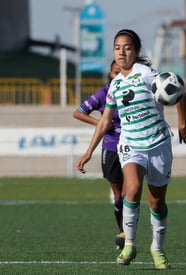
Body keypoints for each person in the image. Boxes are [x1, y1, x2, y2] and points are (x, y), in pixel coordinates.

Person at [76, 29, 186, 268]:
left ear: (136, 51)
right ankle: (129, 245)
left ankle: (157, 249)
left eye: (127, 47)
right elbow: (106, 121)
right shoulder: (115, 85)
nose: (122, 51)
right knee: (132, 190)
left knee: (157, 203)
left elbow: (178, 90)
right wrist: (89, 151)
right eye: (117, 47)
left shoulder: (148, 74)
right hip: (130, 144)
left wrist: (182, 125)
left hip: (158, 142)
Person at [73, 60, 125, 249]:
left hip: (132, 147)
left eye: (122, 71)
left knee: (130, 192)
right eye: (115, 72)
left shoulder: (133, 92)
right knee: (118, 195)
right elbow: (78, 112)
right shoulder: (104, 93)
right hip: (110, 148)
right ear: (110, 74)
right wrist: (101, 123)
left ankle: (128, 235)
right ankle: (123, 231)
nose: (118, 75)